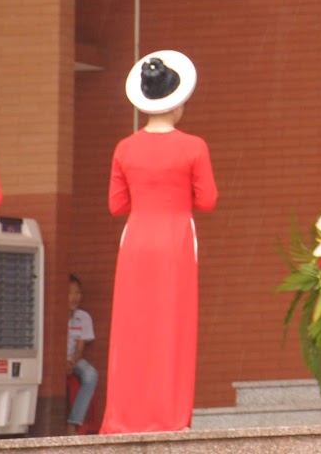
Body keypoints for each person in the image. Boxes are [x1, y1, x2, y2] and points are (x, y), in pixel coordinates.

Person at [102, 51, 218, 434]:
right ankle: (168, 414)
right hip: (175, 240)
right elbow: (207, 200)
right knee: (172, 325)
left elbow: (116, 205)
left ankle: (125, 415)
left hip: (136, 239)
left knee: (132, 326)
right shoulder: (194, 146)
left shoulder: (124, 147)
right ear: (178, 101)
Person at [66, 276, 97, 434]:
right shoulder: (55, 314)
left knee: (91, 374)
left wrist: (72, 362)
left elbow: (80, 347)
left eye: (78, 292)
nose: (74, 297)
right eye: (70, 293)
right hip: (55, 362)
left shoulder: (83, 317)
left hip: (73, 359)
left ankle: (74, 422)